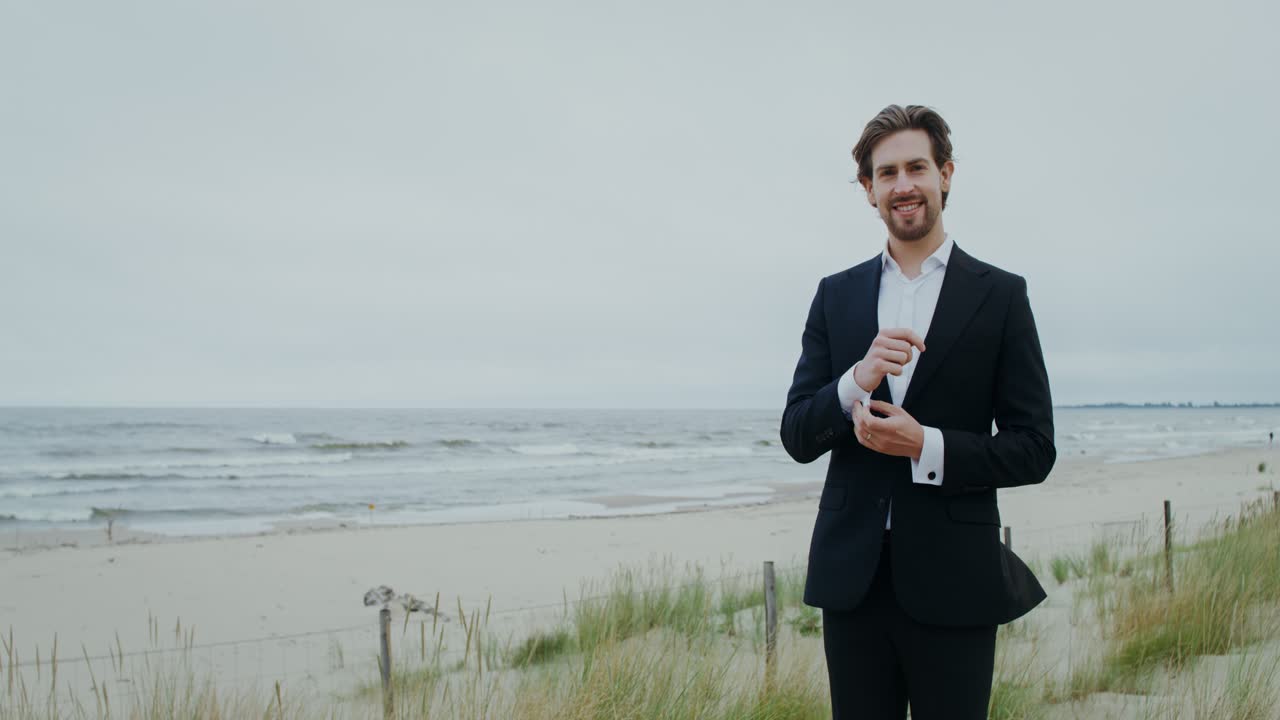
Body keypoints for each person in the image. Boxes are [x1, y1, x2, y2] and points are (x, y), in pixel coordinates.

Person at [780, 104, 1056, 720]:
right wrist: (857, 379)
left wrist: (926, 446)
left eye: (917, 167)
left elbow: (1035, 447)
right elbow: (797, 433)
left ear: (946, 174)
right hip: (852, 581)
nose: (903, 184)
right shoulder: (836, 293)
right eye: (886, 173)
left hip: (956, 579)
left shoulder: (1001, 295)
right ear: (868, 190)